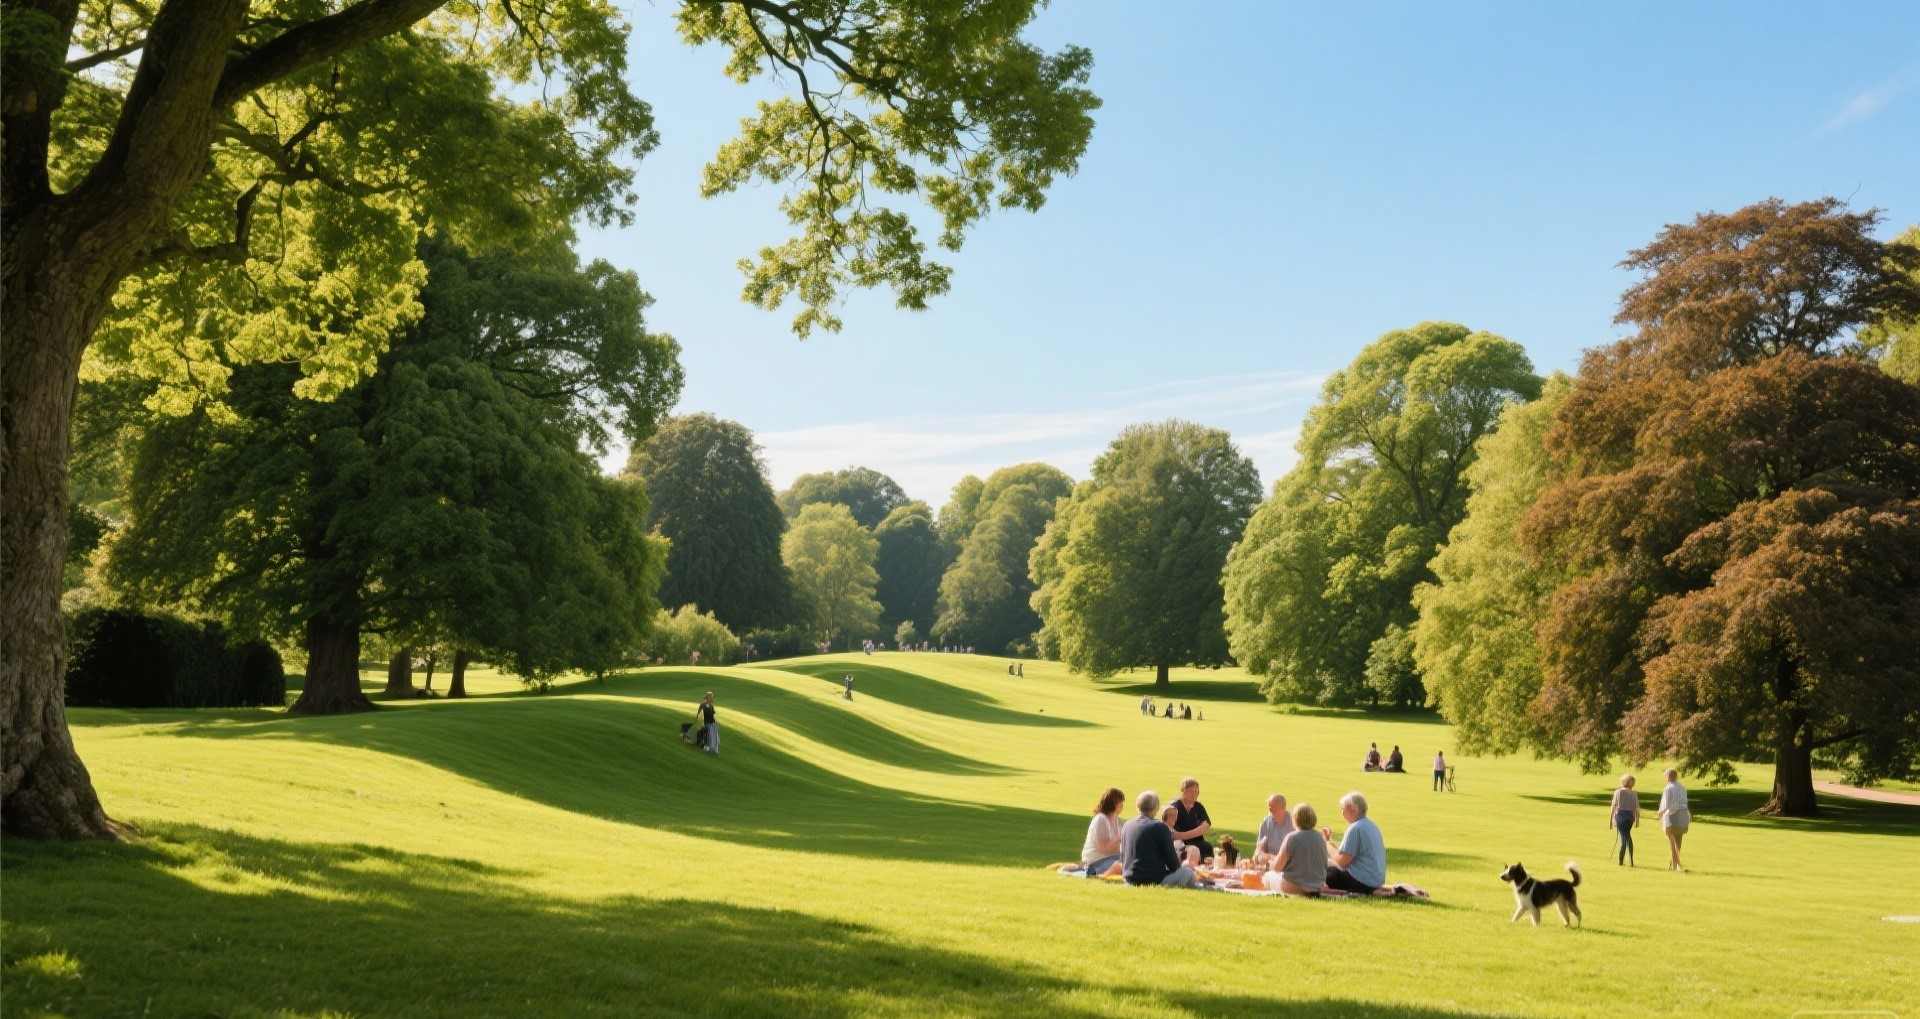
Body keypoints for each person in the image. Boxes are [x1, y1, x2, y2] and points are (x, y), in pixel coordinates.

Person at [1121, 790, 1199, 888]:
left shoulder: (1127, 825)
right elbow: (1173, 864)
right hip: (1154, 880)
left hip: (1129, 879)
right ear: (1156, 808)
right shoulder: (1159, 827)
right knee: (1188, 872)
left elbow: (1123, 857)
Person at [1323, 791, 1386, 894]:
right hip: (1375, 883)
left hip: (1360, 883)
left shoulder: (1355, 828)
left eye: (1343, 808)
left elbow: (1341, 862)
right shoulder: (1371, 826)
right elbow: (1347, 854)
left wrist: (1326, 843)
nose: (1342, 813)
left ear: (1351, 808)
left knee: (1323, 866)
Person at [1267, 802, 1327, 895]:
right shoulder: (1320, 838)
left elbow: (1277, 867)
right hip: (1317, 886)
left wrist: (1271, 863)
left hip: (1293, 886)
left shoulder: (1291, 837)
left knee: (1268, 876)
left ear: (1295, 819)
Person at [1167, 777, 1214, 863]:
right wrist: (1198, 831)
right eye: (1191, 791)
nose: (1194, 794)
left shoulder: (1198, 806)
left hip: (1198, 842)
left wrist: (1183, 835)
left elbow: (1206, 826)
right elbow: (1173, 834)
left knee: (1207, 847)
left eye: (1196, 791)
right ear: (1183, 791)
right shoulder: (1174, 808)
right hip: (1180, 844)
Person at [1082, 787, 1127, 878]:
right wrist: (1119, 837)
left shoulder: (1116, 819)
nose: (1122, 806)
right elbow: (1104, 849)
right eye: (1120, 804)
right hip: (1096, 862)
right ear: (1111, 804)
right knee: (1125, 867)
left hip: (1112, 858)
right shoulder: (1100, 820)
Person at [1658, 768, 1690, 872]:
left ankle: (1676, 864)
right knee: (1678, 840)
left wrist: (1659, 814)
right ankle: (1674, 863)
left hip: (1673, 815)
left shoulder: (1668, 788)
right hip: (1683, 815)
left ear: (1668, 776)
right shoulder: (1682, 787)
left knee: (1672, 841)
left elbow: (1666, 805)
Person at [1254, 793, 1294, 865]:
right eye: (1270, 809)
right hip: (1271, 862)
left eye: (1274, 809)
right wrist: (1267, 856)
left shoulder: (1294, 822)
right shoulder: (1266, 822)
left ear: (1283, 808)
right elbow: (1259, 848)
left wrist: (1280, 859)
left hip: (1290, 863)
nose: (1271, 811)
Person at [1611, 774, 1641, 866]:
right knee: (1627, 836)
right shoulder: (1634, 793)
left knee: (1624, 838)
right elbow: (1637, 808)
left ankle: (1621, 861)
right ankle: (1630, 859)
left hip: (1620, 816)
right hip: (1630, 817)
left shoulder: (1618, 792)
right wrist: (1637, 820)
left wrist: (1610, 819)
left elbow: (1614, 805)